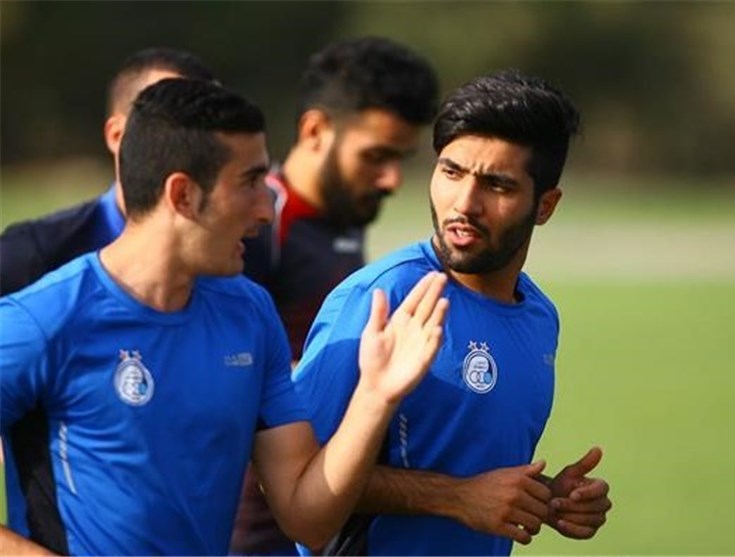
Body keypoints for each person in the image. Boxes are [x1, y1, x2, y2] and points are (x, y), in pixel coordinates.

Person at [0, 78, 449, 556]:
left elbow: (307, 519)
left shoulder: (250, 315)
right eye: (250, 182)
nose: (267, 208)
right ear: (183, 195)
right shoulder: (43, 321)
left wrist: (374, 397)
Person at [291, 69, 612, 556]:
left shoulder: (539, 317)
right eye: (452, 172)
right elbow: (296, 480)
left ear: (545, 205)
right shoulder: (382, 297)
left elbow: (471, 474)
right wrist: (455, 498)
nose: (464, 203)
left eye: (497, 185)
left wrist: (546, 499)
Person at [233, 36, 439, 555]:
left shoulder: (342, 220)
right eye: (376, 156)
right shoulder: (258, 226)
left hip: (326, 524)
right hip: (255, 535)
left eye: (401, 158)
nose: (392, 179)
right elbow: (225, 369)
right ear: (315, 130)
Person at [0, 47, 217, 296]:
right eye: (176, 127)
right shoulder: (30, 260)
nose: (195, 147)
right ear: (117, 136)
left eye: (208, 130)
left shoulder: (239, 255)